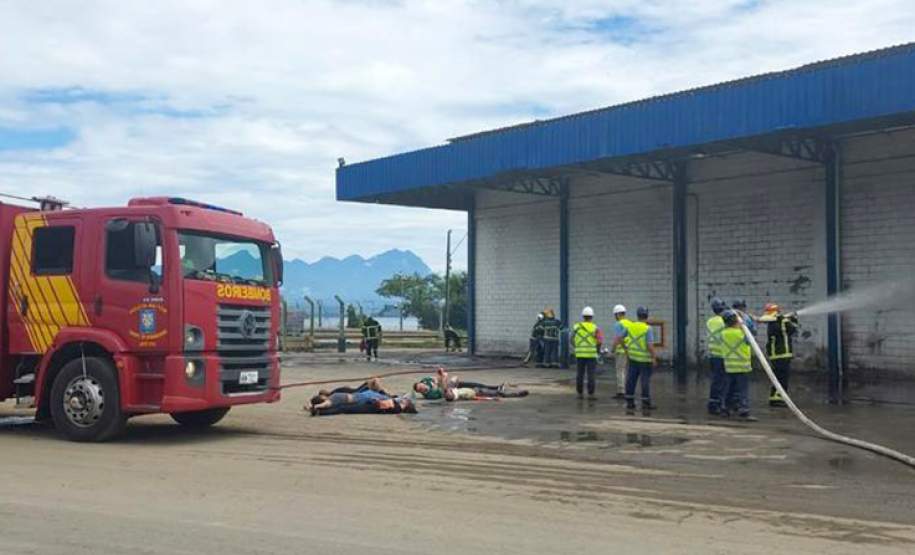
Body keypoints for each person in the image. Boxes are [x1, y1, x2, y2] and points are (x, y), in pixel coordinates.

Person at [759, 303, 799, 407]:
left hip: (775, 354)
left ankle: (774, 398)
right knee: (782, 378)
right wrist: (794, 319)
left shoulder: (772, 322)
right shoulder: (782, 321)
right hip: (783, 354)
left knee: (777, 377)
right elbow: (794, 329)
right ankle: (779, 399)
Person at [720, 309, 756, 421]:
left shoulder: (723, 333)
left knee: (729, 389)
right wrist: (748, 320)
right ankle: (744, 410)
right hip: (742, 366)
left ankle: (725, 408)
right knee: (742, 390)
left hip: (729, 366)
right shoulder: (741, 334)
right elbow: (753, 333)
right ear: (736, 321)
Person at [413, 368, 527, 401]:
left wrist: (441, 377)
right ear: (421, 391)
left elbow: (437, 380)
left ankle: (497, 388)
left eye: (421, 384)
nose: (423, 385)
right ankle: (503, 392)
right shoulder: (430, 395)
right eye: (421, 388)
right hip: (451, 388)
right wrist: (443, 377)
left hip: (453, 388)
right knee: (481, 391)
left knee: (477, 385)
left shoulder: (426, 380)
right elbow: (443, 389)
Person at [622, 306, 656, 411]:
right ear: (647, 315)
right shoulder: (647, 329)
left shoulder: (630, 327)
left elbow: (620, 338)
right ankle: (646, 403)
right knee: (644, 381)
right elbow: (649, 345)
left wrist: (626, 350)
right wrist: (654, 357)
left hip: (633, 358)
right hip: (645, 360)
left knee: (631, 380)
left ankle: (629, 401)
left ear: (637, 315)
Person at [571, 306, 603, 400]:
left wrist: (577, 347)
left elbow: (571, 339)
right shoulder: (595, 328)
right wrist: (597, 350)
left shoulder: (576, 327)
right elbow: (600, 341)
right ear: (592, 316)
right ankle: (591, 394)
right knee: (591, 374)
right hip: (591, 355)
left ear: (583, 316)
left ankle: (580, 393)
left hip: (580, 354)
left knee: (580, 374)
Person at [706, 297, 728, 415]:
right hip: (722, 354)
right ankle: (720, 404)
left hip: (713, 354)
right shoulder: (723, 321)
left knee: (715, 380)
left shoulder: (710, 321)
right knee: (723, 382)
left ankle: (712, 403)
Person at [609, 304, 632, 399]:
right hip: (631, 351)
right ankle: (629, 389)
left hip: (621, 351)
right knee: (628, 371)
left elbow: (618, 338)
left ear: (618, 314)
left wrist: (612, 349)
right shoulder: (630, 323)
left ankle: (621, 391)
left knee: (620, 371)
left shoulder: (618, 324)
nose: (615, 317)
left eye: (615, 315)